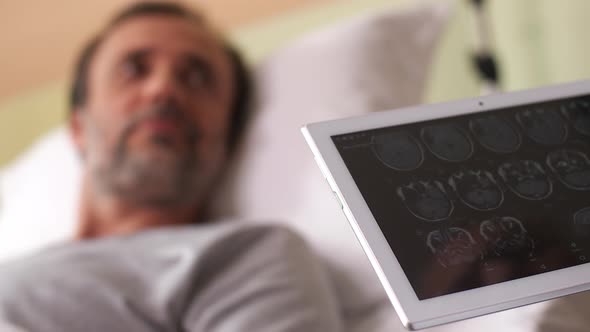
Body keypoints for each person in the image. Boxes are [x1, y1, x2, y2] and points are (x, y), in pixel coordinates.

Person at [0, 2, 342, 331]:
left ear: (227, 140)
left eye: (197, 79)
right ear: (77, 128)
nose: (163, 89)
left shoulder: (245, 254)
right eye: (133, 69)